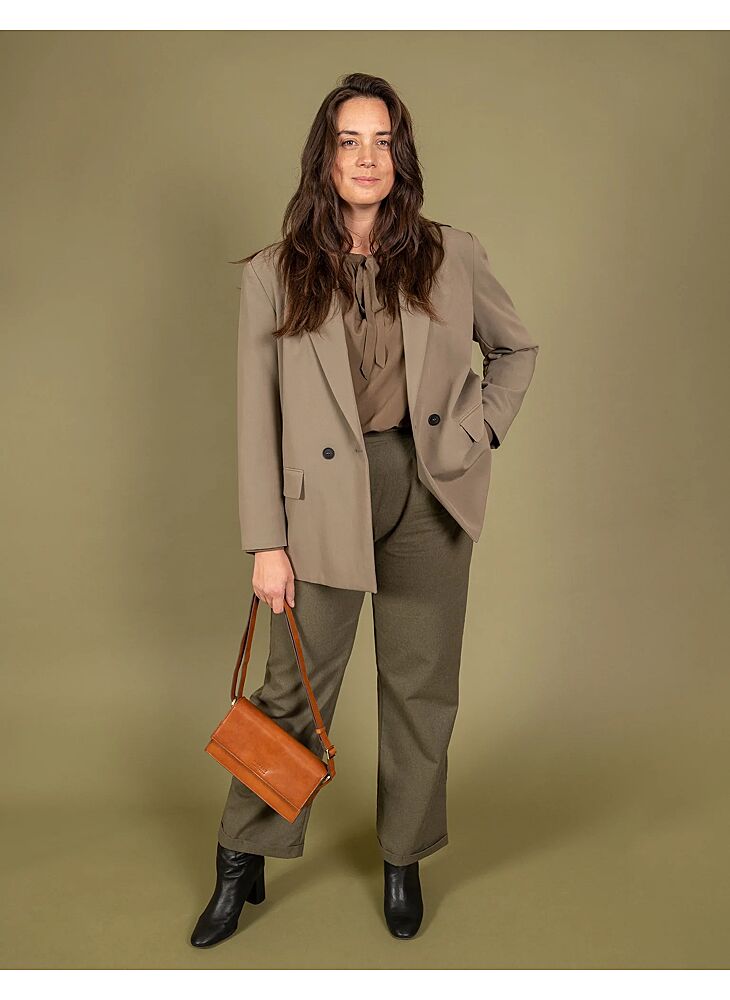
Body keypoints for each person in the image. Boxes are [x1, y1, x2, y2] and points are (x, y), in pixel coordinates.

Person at [191, 72, 539, 948]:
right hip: (319, 505)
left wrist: (477, 432)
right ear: (326, 157)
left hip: (429, 493)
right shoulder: (274, 274)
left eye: (382, 141)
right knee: (292, 693)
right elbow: (257, 418)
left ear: (400, 157)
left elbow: (516, 349)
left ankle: (403, 860)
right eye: (350, 141)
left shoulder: (451, 254)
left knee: (421, 688)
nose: (367, 157)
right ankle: (240, 857)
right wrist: (266, 542)